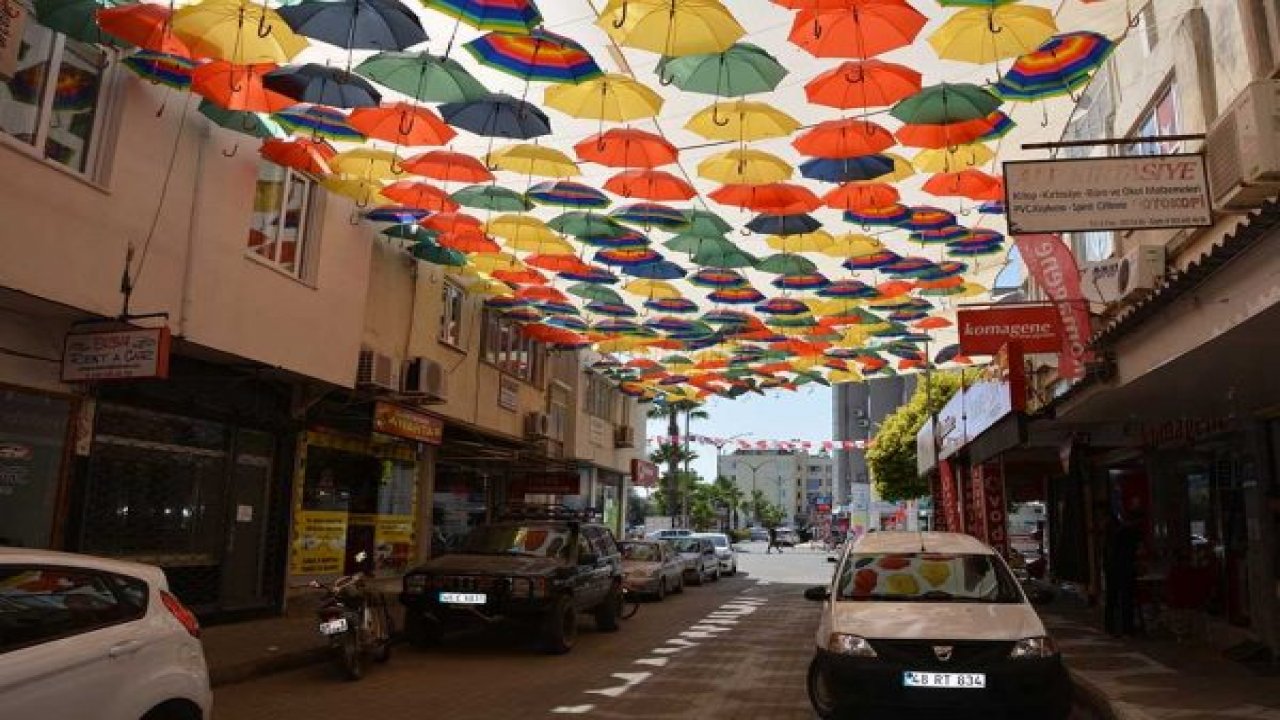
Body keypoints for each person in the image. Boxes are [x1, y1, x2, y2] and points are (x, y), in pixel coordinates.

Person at [1102, 509, 1143, 637]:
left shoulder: (1116, 533)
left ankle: (1110, 627)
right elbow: (1138, 551)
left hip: (1112, 568)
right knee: (1126, 598)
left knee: (1112, 598)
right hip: (1125, 568)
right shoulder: (1133, 533)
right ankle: (1127, 627)